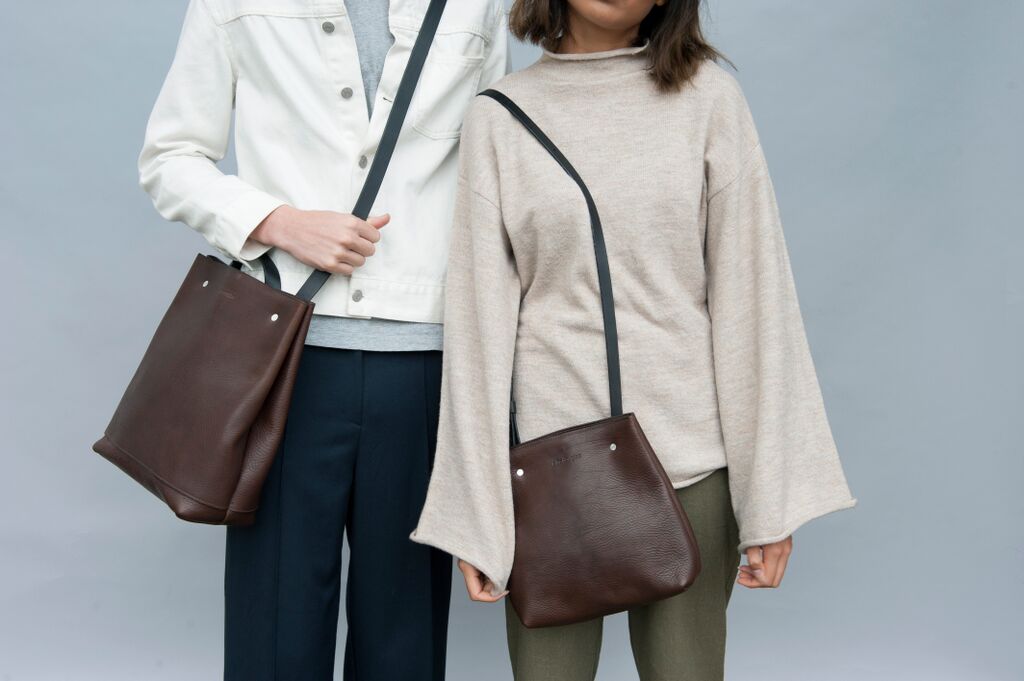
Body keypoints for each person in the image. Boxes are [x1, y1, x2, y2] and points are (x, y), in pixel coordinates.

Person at [410, 0, 856, 679]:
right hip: (551, 471)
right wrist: (475, 512)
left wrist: (769, 500)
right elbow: (477, 326)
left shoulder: (709, 100)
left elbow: (755, 299)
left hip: (689, 464)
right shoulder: (499, 116)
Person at [137, 1, 508, 679]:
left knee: (404, 643)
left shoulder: (476, 5)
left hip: (423, 365)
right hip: (284, 365)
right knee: (274, 638)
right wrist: (277, 221)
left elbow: (493, 179)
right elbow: (170, 157)